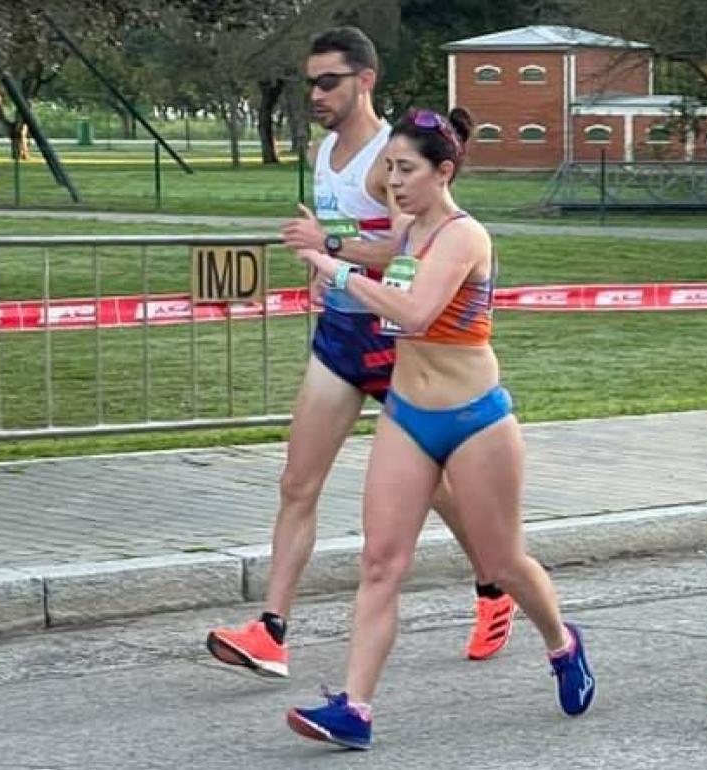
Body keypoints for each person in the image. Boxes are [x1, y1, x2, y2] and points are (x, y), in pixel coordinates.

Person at [205, 27, 515, 682]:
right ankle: (270, 630)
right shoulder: (324, 150)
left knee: (443, 494)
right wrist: (324, 262)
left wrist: (333, 248)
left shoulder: (389, 156)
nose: (315, 94)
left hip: (397, 344)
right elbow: (347, 238)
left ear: (364, 81)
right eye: (310, 81)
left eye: (328, 82)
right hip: (340, 338)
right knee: (297, 481)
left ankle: (496, 587)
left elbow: (412, 248)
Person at [286, 107, 594, 749]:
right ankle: (355, 709)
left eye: (405, 170)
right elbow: (381, 249)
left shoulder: (461, 236)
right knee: (380, 561)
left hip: (475, 419)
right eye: (388, 168)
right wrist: (330, 241)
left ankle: (562, 642)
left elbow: (418, 312)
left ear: (443, 172)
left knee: (501, 561)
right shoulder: (410, 231)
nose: (392, 182)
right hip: (407, 415)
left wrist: (334, 269)